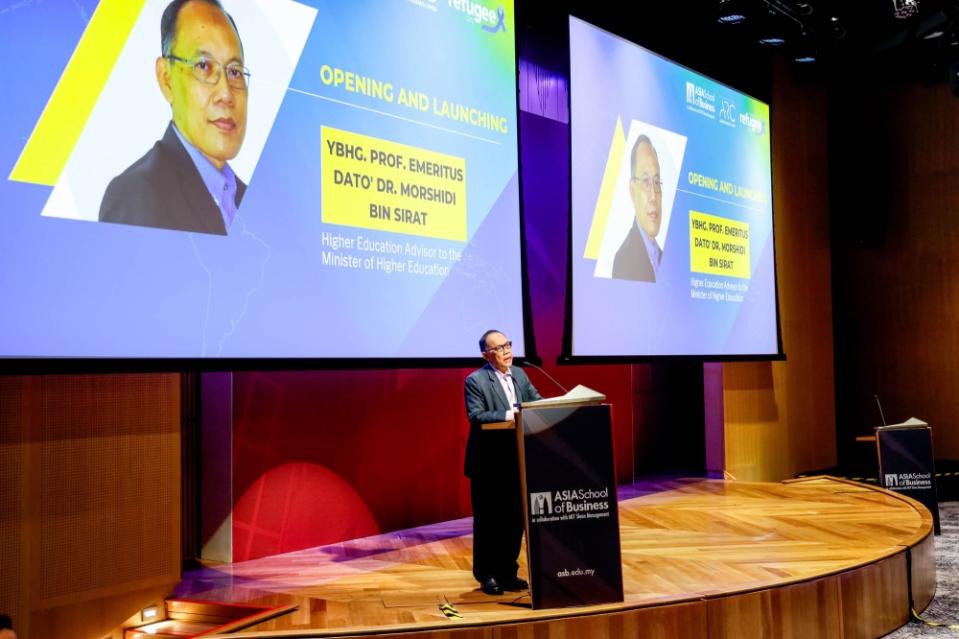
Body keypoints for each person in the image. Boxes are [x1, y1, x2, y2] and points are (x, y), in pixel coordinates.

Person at [99, 0, 249, 235]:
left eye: (234, 72)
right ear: (166, 78)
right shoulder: (138, 194)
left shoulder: (252, 201)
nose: (226, 94)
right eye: (203, 66)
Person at [463, 330, 542, 595]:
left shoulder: (520, 373)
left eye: (508, 345)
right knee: (489, 521)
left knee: (514, 520)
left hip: (517, 460)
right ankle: (487, 575)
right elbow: (477, 416)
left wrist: (553, 406)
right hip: (488, 463)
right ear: (486, 354)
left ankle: (508, 572)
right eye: (499, 348)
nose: (507, 351)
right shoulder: (475, 380)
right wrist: (513, 413)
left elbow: (535, 400)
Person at [612, 134, 663, 281]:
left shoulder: (666, 257)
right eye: (646, 181)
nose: (654, 196)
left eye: (657, 181)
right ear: (633, 190)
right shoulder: (623, 260)